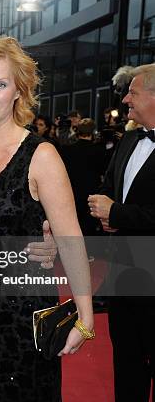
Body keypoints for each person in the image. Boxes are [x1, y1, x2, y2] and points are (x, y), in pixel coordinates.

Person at [0, 37, 94, 401]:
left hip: (21, 312)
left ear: (18, 91)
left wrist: (85, 319)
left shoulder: (41, 155)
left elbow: (70, 238)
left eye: (0, 84)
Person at [88, 63, 155, 401]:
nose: (126, 98)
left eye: (134, 91)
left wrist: (118, 213)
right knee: (126, 363)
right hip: (124, 272)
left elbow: (122, 209)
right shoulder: (129, 138)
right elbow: (109, 190)